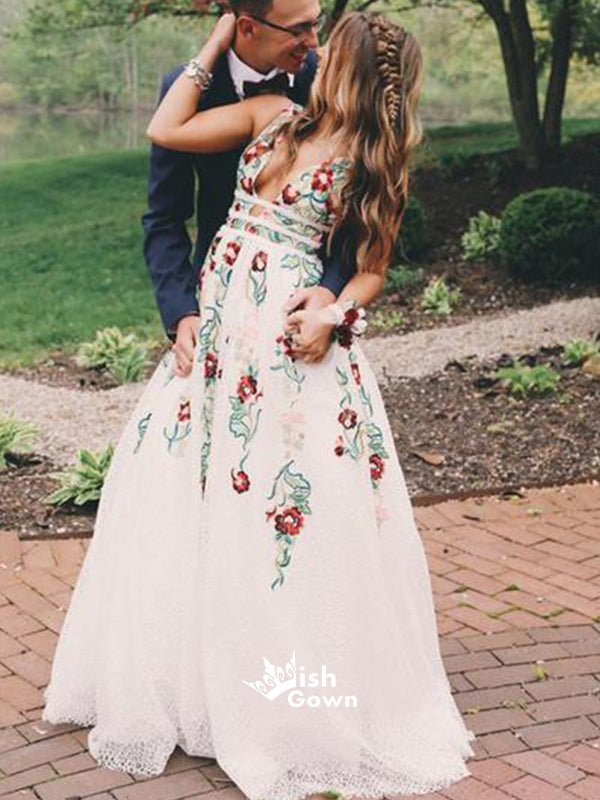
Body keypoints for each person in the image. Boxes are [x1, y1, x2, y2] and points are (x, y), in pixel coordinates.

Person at [41, 7, 476, 800]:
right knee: (186, 495)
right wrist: (214, 41)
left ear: (349, 72)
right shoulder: (271, 114)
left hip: (283, 351)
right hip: (216, 338)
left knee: (278, 509)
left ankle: (278, 693)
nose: (311, 50)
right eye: (304, 33)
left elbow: (370, 267)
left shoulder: (369, 165)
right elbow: (167, 131)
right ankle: (191, 678)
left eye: (325, 45)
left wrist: (333, 308)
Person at [142, 0, 356, 380]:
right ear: (246, 27)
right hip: (218, 297)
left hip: (305, 307)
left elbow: (361, 210)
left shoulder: (330, 79)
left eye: (315, 23)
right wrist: (182, 313)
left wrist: (328, 295)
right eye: (299, 29)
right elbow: (164, 217)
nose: (313, 41)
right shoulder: (187, 90)